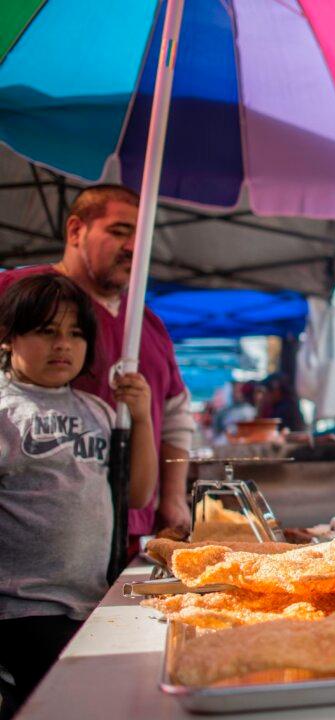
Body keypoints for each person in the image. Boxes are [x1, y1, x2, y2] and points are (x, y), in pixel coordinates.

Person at [0, 185, 195, 546]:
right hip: (27, 548)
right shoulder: (12, 292)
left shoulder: (149, 325)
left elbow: (175, 415)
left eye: (141, 237)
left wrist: (171, 495)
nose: (133, 247)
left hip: (129, 532)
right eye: (119, 231)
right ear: (76, 231)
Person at [0, 275, 156, 720]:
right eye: (46, 331)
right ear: (9, 337)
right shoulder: (6, 412)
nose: (62, 345)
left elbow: (138, 493)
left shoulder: (100, 413)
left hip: (94, 599)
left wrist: (141, 419)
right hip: (24, 611)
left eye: (75, 333)